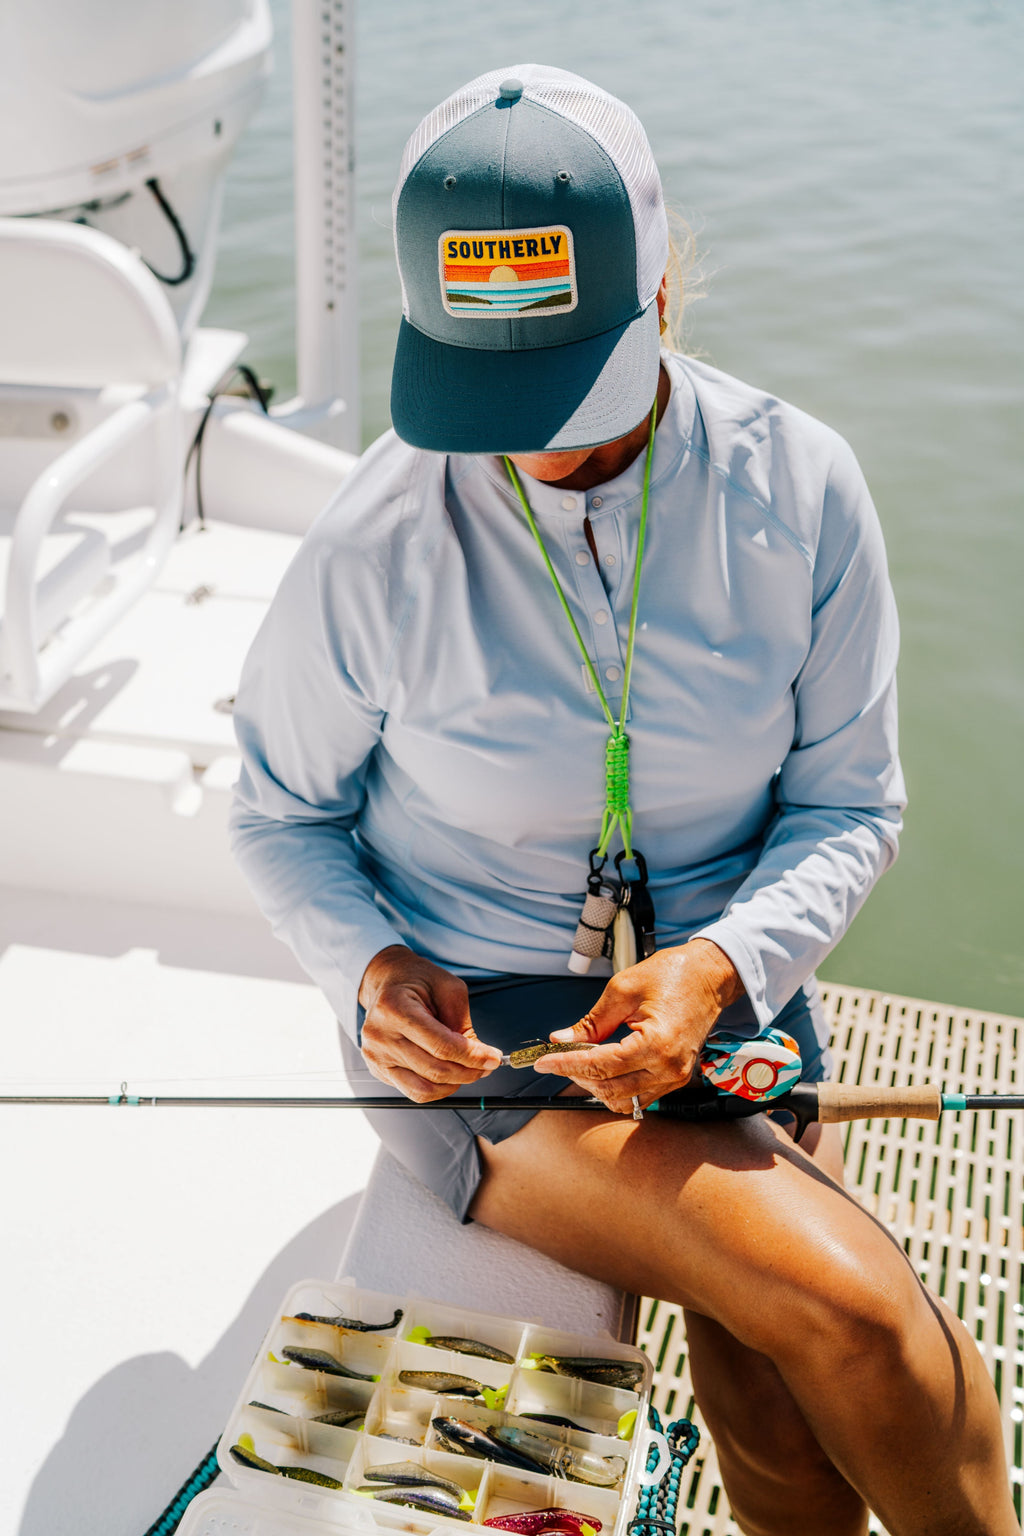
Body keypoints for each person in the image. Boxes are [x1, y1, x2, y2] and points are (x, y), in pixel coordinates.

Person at [230, 64, 1018, 1536]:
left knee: (782, 1399)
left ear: (660, 303)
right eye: (488, 390)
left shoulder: (808, 488)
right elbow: (278, 813)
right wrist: (375, 969)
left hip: (732, 1006)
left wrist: (722, 969)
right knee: (863, 1327)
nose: (530, 442)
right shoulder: (370, 543)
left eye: (570, 390)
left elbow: (853, 803)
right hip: (477, 1053)